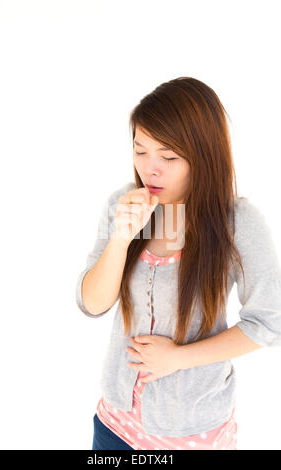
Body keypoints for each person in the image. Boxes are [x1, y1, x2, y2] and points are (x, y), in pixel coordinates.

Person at [76, 77, 281, 450]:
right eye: (140, 150)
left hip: (191, 433)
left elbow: (269, 323)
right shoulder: (124, 203)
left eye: (168, 157)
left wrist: (179, 358)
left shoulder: (238, 223)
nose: (150, 169)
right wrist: (121, 237)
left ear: (204, 154)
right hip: (114, 424)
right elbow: (92, 303)